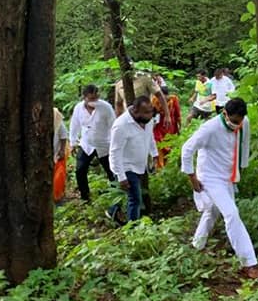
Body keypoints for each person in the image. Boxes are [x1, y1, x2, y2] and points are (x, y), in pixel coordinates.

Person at [181, 97, 258, 280]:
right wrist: (192, 178)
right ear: (225, 113)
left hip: (227, 176)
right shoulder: (209, 128)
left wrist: (240, 171)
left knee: (213, 210)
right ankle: (249, 263)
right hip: (210, 177)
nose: (237, 125)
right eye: (233, 121)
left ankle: (196, 245)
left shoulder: (244, 122)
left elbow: (244, 144)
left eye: (239, 121)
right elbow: (187, 149)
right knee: (232, 214)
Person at [108, 95, 158, 223]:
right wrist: (121, 176)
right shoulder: (121, 125)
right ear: (135, 111)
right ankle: (133, 229)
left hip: (139, 164)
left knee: (129, 194)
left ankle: (112, 211)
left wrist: (155, 154)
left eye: (151, 111)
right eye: (146, 112)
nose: (150, 115)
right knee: (135, 199)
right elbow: (115, 152)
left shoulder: (148, 120)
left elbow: (150, 137)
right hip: (125, 166)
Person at [69, 84, 115, 202]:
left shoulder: (106, 107)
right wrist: (73, 142)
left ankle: (115, 195)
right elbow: (74, 125)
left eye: (96, 98)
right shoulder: (79, 108)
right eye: (91, 99)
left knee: (111, 171)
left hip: (104, 144)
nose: (94, 101)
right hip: (86, 144)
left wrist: (114, 144)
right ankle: (85, 196)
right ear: (84, 97)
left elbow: (113, 126)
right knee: (80, 170)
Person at [152, 85, 182, 167]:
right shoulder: (155, 100)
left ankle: (168, 167)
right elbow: (153, 114)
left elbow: (178, 114)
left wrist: (179, 127)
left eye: (165, 97)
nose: (163, 99)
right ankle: (159, 169)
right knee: (159, 146)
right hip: (158, 128)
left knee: (169, 147)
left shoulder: (174, 99)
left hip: (171, 128)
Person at [52, 107, 69, 203]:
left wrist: (62, 150)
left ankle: (58, 197)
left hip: (57, 153)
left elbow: (63, 135)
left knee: (59, 177)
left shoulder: (57, 120)